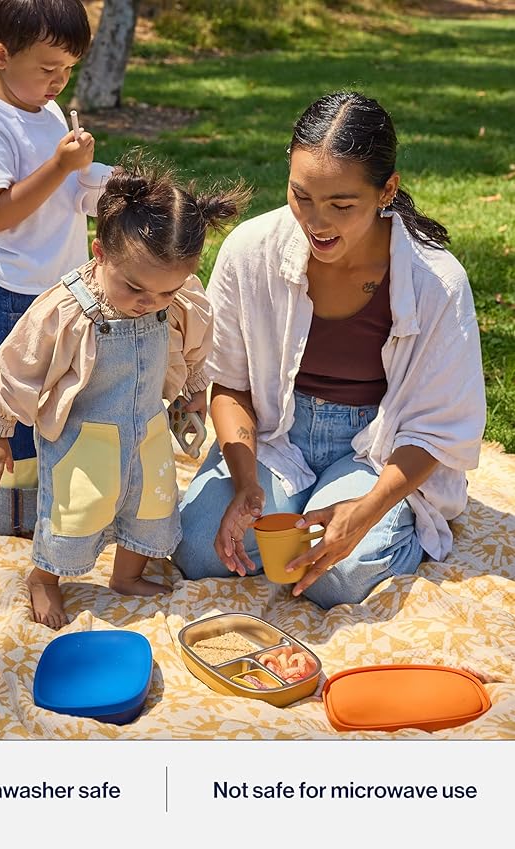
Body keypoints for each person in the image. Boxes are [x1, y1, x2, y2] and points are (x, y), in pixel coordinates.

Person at [173, 90, 486, 610]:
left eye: (342, 205)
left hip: (378, 446)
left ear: (387, 190)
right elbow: (229, 386)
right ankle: (297, 503)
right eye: (302, 197)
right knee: (198, 547)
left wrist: (363, 512)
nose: (316, 222)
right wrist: (247, 483)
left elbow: (437, 431)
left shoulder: (437, 282)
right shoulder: (250, 251)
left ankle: (393, 526)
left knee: (333, 576)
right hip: (278, 432)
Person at [0, 157, 249, 628]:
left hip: (146, 429)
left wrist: (194, 388)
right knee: (75, 513)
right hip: (83, 438)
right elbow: (19, 365)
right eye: (135, 288)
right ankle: (44, 579)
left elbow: (195, 340)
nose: (149, 303)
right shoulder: (68, 309)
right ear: (100, 252)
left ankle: (126, 577)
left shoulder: (175, 299)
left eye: (164, 293)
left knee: (151, 505)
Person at [0, 0, 113, 537]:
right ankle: (10, 526)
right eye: (48, 69)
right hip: (13, 292)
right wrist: (60, 165)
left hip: (64, 287)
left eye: (69, 70)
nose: (59, 82)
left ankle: (55, 511)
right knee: (16, 409)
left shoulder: (46, 114)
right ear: (0, 55)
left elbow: (66, 194)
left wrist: (99, 181)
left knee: (65, 399)